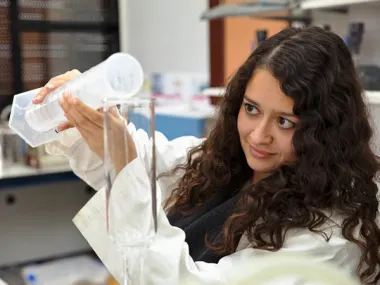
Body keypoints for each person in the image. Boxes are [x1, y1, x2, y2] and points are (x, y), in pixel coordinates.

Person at [34, 26, 380, 284]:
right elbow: (143, 160)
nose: (258, 136)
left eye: (286, 122)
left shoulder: (330, 235)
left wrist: (126, 169)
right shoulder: (224, 164)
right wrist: (76, 112)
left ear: (325, 130)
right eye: (252, 108)